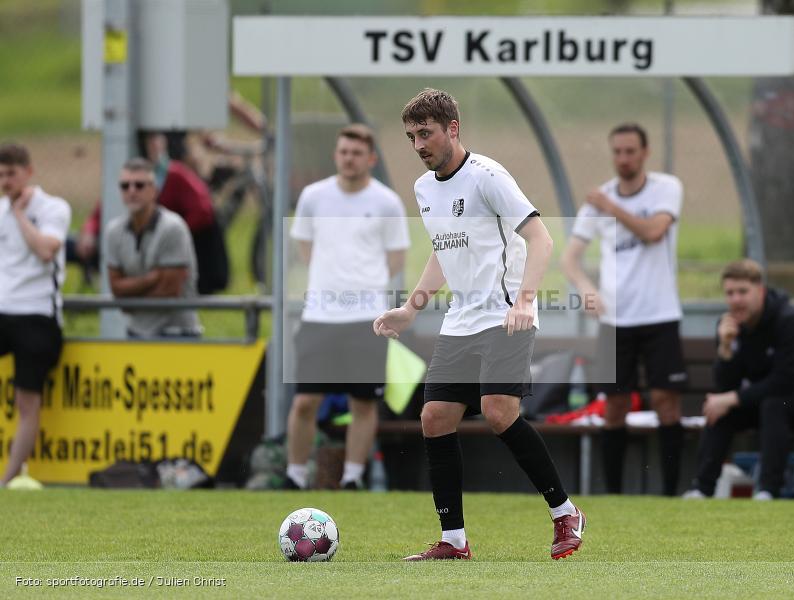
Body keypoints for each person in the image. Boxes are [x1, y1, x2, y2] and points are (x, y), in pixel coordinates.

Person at [374, 88, 584, 561]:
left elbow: (541, 239)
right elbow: (443, 251)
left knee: (497, 411)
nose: (418, 145)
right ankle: (453, 541)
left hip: (507, 315)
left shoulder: (489, 177)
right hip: (461, 320)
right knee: (434, 418)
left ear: (453, 129)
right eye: (410, 136)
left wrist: (525, 300)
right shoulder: (424, 188)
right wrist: (411, 307)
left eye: (425, 133)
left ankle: (565, 513)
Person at [561, 122, 686, 496]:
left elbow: (653, 232)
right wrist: (586, 288)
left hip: (660, 314)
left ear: (645, 153)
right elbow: (570, 259)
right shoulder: (597, 202)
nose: (624, 159)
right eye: (617, 152)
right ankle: (614, 495)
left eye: (631, 152)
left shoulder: (666, 188)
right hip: (616, 320)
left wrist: (611, 208)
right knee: (613, 404)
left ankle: (671, 494)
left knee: (666, 401)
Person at [285, 124, 409, 491]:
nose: (349, 159)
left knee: (363, 402)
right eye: (343, 152)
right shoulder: (313, 196)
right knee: (306, 400)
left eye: (356, 153)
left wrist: (363, 287)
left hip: (366, 318)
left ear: (370, 159)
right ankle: (293, 476)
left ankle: (353, 477)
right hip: (320, 316)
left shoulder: (386, 202)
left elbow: (397, 258)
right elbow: (305, 248)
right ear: (335, 155)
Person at [681, 259, 794, 500]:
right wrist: (726, 350)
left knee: (772, 404)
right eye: (730, 293)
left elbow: (785, 380)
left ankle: (768, 490)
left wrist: (731, 398)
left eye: (743, 292)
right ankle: (702, 489)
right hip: (767, 396)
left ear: (760, 291)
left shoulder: (789, 320)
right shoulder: (727, 326)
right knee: (719, 409)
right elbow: (724, 387)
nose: (736, 299)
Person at [0, 142, 71, 488]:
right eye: (0, 175)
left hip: (36, 314)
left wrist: (18, 215)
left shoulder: (52, 208)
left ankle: (9, 479)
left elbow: (46, 250)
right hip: (3, 310)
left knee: (27, 401)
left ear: (28, 172)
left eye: (11, 174)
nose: (5, 182)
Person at [104, 158, 202, 339]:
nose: (132, 191)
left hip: (178, 333)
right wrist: (151, 278)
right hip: (136, 333)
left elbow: (169, 291)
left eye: (139, 185)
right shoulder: (113, 231)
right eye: (125, 186)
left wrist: (130, 295)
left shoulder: (173, 228)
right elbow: (115, 288)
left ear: (154, 190)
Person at [143, 132, 228, 294]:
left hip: (192, 250)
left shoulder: (175, 174)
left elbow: (203, 210)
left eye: (157, 141)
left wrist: (175, 233)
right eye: (150, 142)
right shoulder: (135, 179)